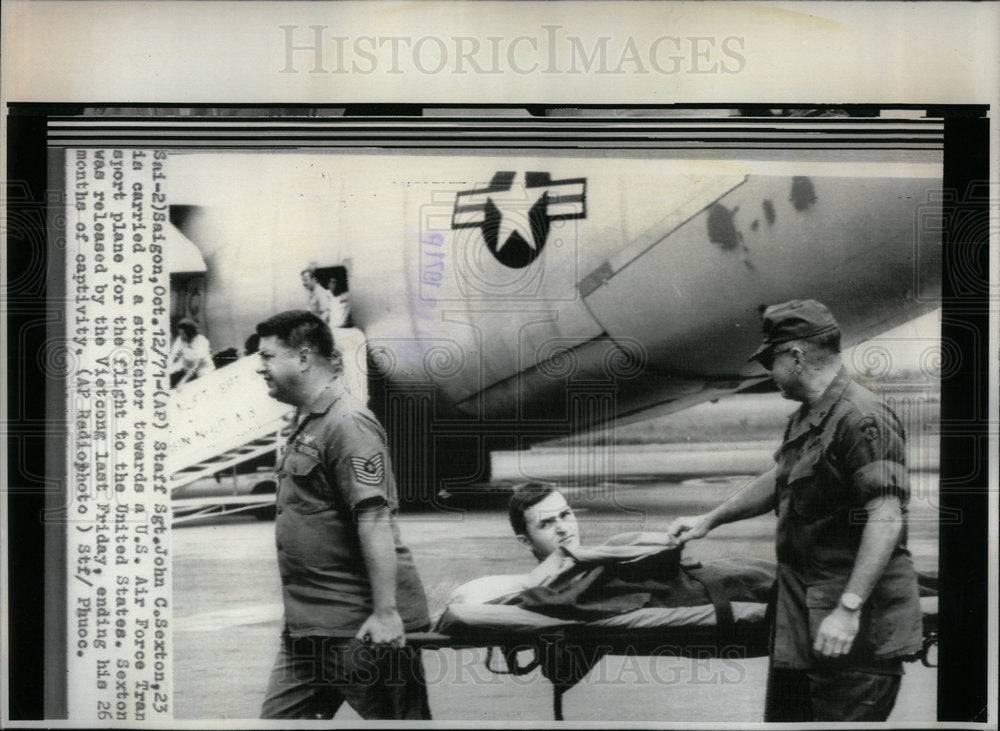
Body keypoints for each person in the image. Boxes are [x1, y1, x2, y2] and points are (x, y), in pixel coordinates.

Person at [667, 299, 924, 722]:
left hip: (851, 633)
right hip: (803, 623)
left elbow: (886, 515)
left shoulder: (861, 418)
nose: (769, 372)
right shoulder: (811, 417)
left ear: (797, 356)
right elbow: (781, 476)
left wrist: (848, 609)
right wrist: (708, 520)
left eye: (771, 359)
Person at [254, 310, 431, 720]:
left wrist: (387, 614)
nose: (260, 369)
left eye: (267, 357)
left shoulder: (348, 423)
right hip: (307, 627)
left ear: (302, 358)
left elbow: (373, 519)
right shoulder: (308, 422)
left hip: (359, 629)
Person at [169, 317, 214, 387]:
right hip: (188, 368)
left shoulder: (201, 340)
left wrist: (183, 380)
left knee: (203, 382)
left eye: (183, 334)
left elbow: (196, 364)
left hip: (203, 369)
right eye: (180, 333)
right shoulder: (180, 340)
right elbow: (172, 355)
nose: (181, 336)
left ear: (190, 332)